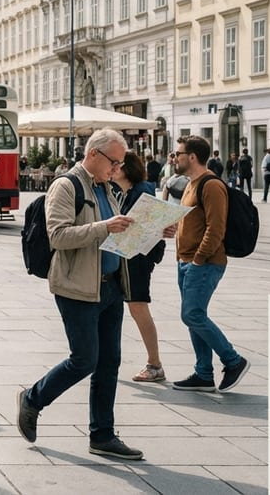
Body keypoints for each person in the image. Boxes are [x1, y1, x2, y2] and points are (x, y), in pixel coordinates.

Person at [16, 128, 163, 461]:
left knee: (109, 362)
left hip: (111, 285)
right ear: (94, 155)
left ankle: (102, 435)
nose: (118, 168)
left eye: (120, 163)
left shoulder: (106, 187)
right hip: (78, 287)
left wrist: (153, 232)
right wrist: (105, 227)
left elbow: (120, 237)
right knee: (84, 359)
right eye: (114, 162)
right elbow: (59, 236)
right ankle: (32, 398)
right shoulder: (66, 186)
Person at [170, 135, 252, 393]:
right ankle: (203, 374)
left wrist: (197, 259)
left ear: (192, 157)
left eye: (179, 153)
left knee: (191, 314)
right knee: (195, 317)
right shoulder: (190, 184)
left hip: (204, 263)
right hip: (185, 261)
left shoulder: (211, 185)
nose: (175, 157)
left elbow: (216, 228)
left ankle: (233, 360)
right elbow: (192, 221)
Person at [111, 153, 167, 383]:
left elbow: (151, 225)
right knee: (109, 309)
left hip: (136, 259)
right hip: (114, 257)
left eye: (117, 165)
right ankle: (106, 359)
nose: (113, 168)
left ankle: (155, 364)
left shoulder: (143, 190)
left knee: (137, 308)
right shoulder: (109, 189)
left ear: (128, 168)